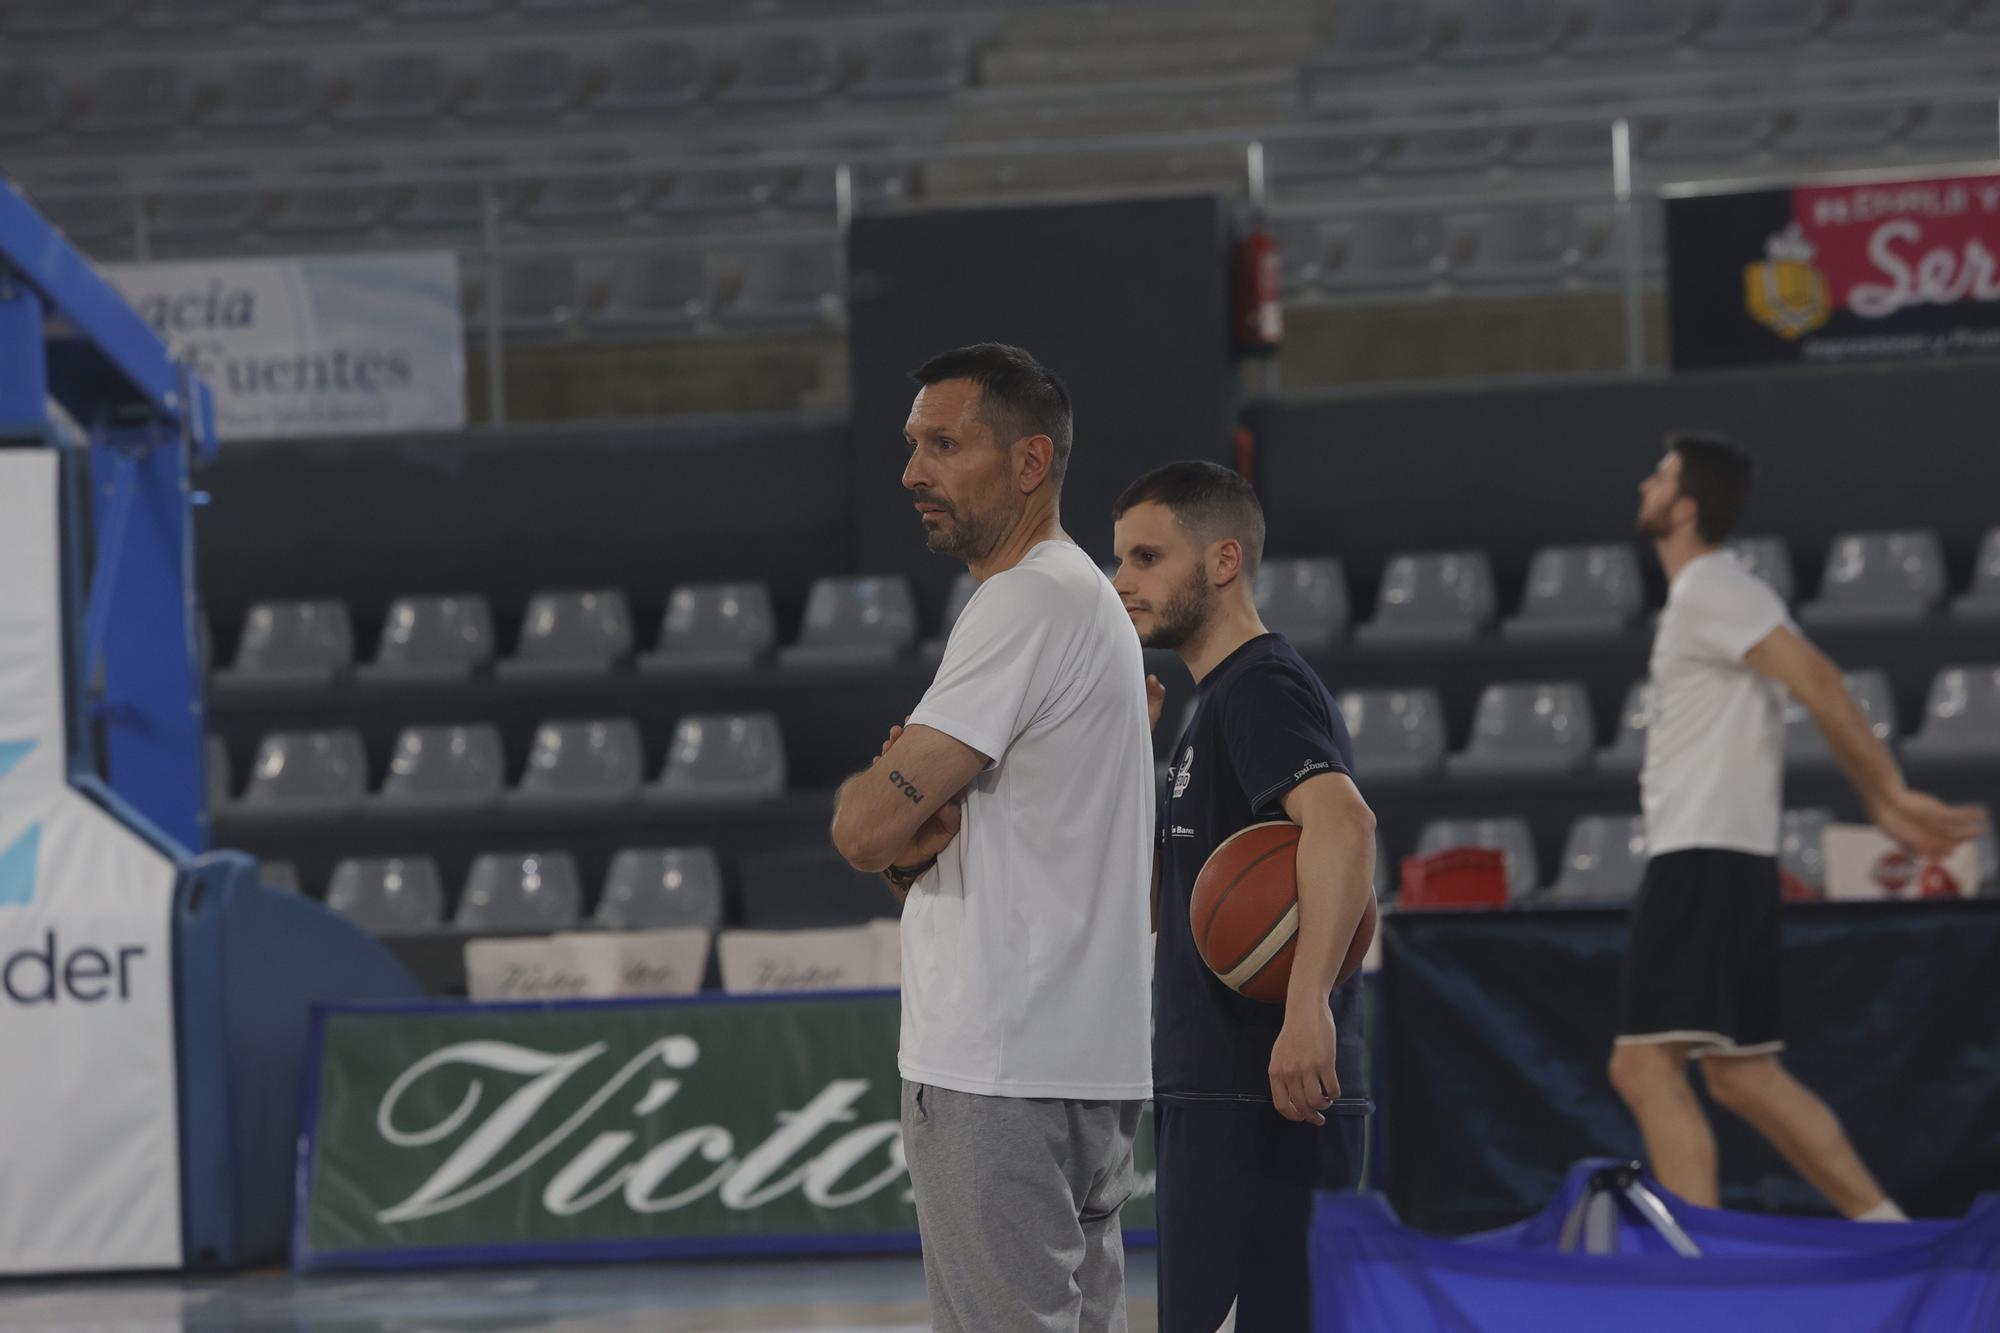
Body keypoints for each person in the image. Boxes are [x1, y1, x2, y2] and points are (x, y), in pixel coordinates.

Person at [829, 343, 1155, 1333]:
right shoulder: (1086, 600)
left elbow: (861, 825)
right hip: (1083, 1059)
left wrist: (889, 826)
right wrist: (911, 846)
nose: (911, 471)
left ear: (1027, 464)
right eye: (910, 444)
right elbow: (950, 839)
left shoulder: (1023, 600)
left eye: (943, 444)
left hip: (998, 1064)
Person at [1607, 433, 1986, 1220]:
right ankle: (1888, 1231)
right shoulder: (1710, 591)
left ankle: (1699, 1274)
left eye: (1662, 475)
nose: (1645, 482)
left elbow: (1819, 678)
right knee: (1743, 1075)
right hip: (1726, 857)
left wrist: (1886, 798)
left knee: (1643, 1068)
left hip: (1702, 857)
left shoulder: (1713, 584)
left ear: (1683, 508)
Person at [1109, 459, 1377, 1332]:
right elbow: (1170, 902)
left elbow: (1344, 825)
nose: (1122, 581)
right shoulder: (1212, 702)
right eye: (1120, 561)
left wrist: (1309, 1007)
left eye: (1147, 557)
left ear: (1223, 560)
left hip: (1262, 1093)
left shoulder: (1258, 685)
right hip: (1228, 1089)